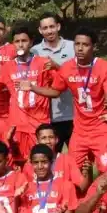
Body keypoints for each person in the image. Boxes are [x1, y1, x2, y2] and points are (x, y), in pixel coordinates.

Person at [0, 25, 56, 163]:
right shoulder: (7, 67)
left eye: (24, 41)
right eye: (17, 41)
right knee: (19, 163)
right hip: (17, 125)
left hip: (39, 124)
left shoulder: (43, 63)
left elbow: (56, 91)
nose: (20, 44)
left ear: (31, 42)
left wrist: (33, 88)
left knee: (40, 163)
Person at [51, 28, 107, 173]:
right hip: (80, 131)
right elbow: (55, 91)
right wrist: (32, 87)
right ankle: (83, 196)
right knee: (74, 171)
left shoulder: (104, 67)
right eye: (77, 44)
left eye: (85, 45)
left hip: (101, 128)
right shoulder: (67, 67)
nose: (80, 48)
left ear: (94, 47)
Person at [31, 13, 75, 152]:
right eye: (45, 28)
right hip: (48, 115)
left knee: (79, 161)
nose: (49, 31)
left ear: (58, 26)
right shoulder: (34, 51)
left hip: (73, 113)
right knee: (51, 159)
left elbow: (78, 77)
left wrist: (57, 66)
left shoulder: (73, 47)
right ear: (40, 30)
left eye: (52, 26)